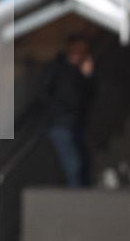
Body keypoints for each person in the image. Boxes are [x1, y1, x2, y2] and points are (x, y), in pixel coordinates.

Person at [40, 35, 95, 187]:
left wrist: (88, 76)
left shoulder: (79, 73)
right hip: (60, 122)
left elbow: (88, 96)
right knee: (73, 164)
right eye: (77, 51)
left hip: (75, 123)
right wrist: (57, 110)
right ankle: (75, 198)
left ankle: (78, 195)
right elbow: (44, 92)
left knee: (81, 163)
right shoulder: (57, 68)